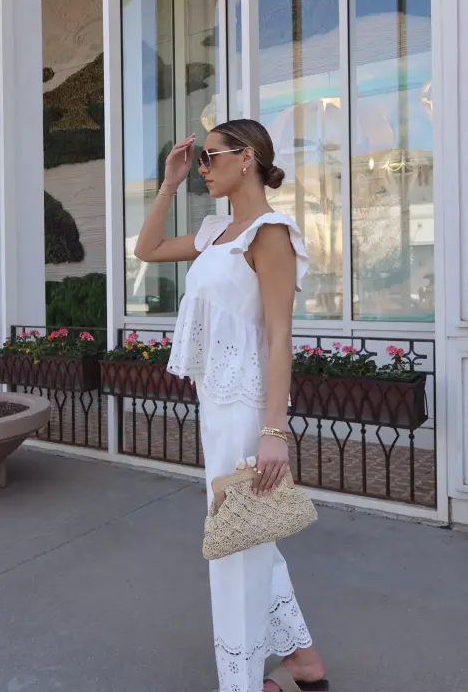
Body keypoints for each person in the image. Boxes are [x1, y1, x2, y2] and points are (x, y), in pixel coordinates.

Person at [135, 119, 327, 692]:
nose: (202, 168)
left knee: (234, 549)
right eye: (199, 160)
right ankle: (304, 661)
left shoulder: (270, 234)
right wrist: (168, 184)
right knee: (247, 534)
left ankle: (240, 682)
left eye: (209, 157)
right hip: (216, 405)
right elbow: (146, 249)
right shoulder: (218, 230)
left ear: (246, 158)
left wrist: (274, 432)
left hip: (247, 409)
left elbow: (279, 336)